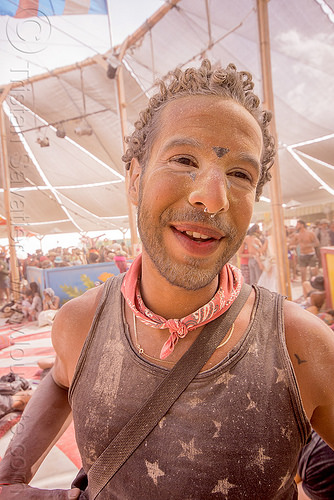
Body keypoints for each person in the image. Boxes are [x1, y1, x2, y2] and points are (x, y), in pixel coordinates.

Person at [0, 60, 334, 499]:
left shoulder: (298, 344)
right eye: (183, 159)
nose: (211, 198)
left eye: (239, 174)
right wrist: (16, 478)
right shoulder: (78, 323)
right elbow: (61, 380)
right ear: (135, 179)